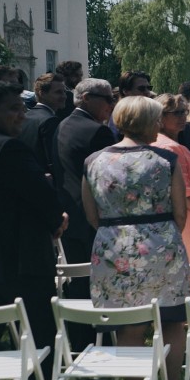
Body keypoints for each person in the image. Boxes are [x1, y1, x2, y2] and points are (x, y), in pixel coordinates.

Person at [82, 96, 190, 380]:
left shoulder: (94, 161)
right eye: (156, 119)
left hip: (112, 248)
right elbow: (181, 212)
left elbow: (91, 214)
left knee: (128, 324)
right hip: (161, 246)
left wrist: (117, 234)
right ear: (146, 123)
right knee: (171, 320)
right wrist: (161, 235)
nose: (159, 124)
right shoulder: (166, 160)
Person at [0, 81, 68, 380]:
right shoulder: (6, 148)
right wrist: (57, 218)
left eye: (22, 107)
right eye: (14, 108)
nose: (22, 114)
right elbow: (43, 198)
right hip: (19, 260)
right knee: (39, 333)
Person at [56, 78, 118, 350]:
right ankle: (98, 340)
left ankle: (80, 342)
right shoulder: (97, 132)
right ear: (85, 98)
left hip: (71, 214)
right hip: (94, 216)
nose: (111, 104)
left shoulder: (63, 124)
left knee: (79, 284)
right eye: (106, 99)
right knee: (98, 284)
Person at [152, 94, 190, 304]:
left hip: (188, 216)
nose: (182, 117)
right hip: (186, 216)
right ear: (160, 116)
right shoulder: (166, 146)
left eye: (184, 112)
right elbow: (184, 190)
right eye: (175, 112)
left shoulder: (170, 142)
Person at [18, 72, 67, 183]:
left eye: (64, 91)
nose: (64, 96)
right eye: (58, 92)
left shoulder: (26, 116)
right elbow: (54, 159)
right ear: (42, 93)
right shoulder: (50, 121)